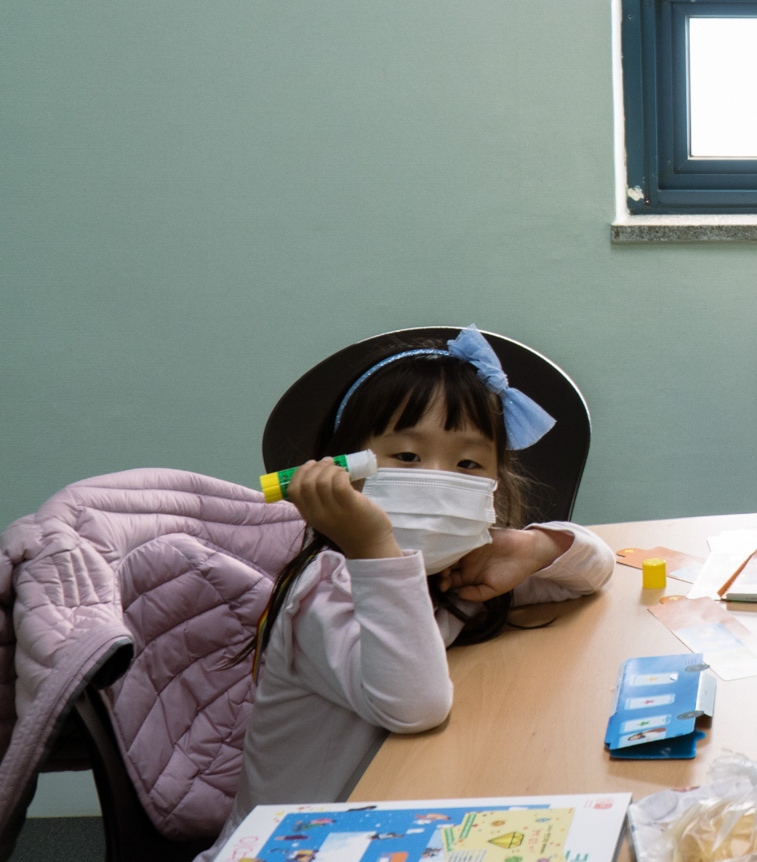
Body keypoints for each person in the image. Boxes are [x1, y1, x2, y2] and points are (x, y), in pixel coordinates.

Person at [198, 327, 613, 859]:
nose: (437, 480)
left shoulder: (455, 567)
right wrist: (374, 549)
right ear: (344, 472)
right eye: (408, 456)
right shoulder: (325, 591)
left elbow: (595, 570)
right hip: (293, 845)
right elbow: (416, 706)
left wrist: (534, 547)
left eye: (468, 464)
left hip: (397, 820)